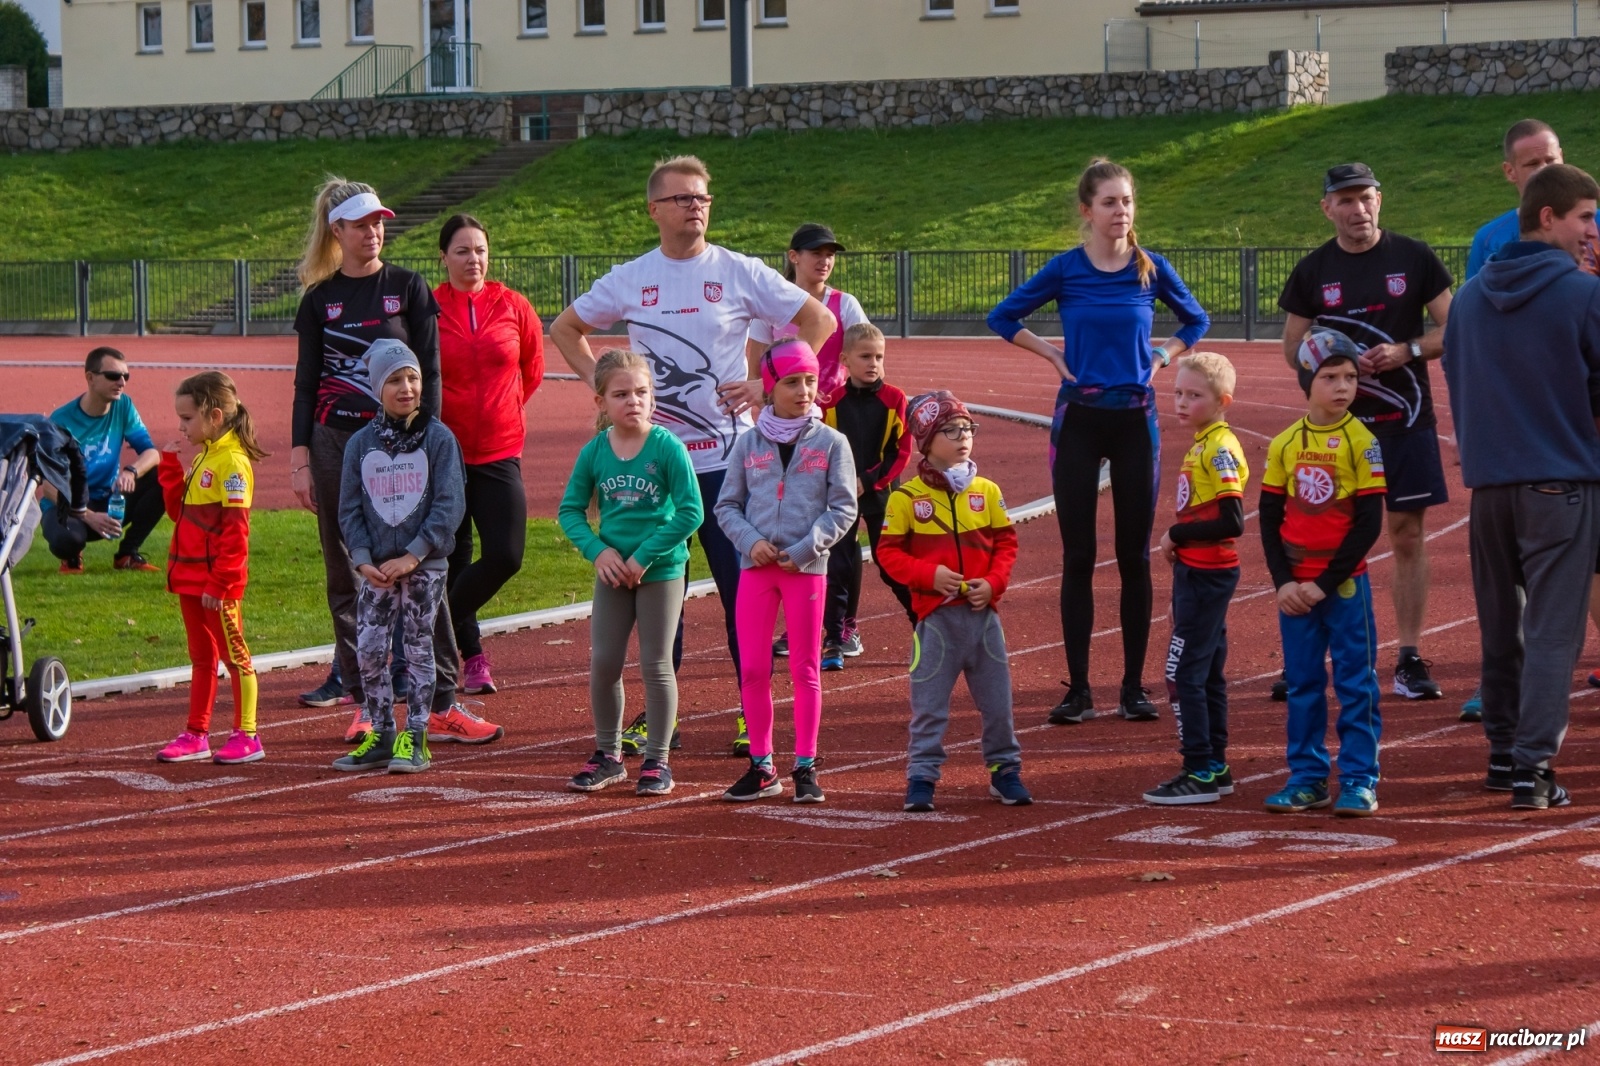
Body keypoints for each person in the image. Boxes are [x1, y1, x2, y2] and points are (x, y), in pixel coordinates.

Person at [550, 154, 836, 756]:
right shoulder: (632, 277)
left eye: (702, 198)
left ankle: (746, 714)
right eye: (682, 199)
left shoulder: (739, 271)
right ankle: (662, 719)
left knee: (743, 597)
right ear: (654, 209)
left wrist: (765, 383)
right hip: (658, 468)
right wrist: (604, 391)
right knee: (662, 600)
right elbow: (565, 329)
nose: (695, 207)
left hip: (733, 464)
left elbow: (816, 321)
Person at [987, 157, 1209, 726]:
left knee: (1134, 557)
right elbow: (1003, 316)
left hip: (1136, 421)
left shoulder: (1150, 268)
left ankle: (1133, 688)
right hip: (1079, 422)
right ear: (1087, 211)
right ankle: (1079, 689)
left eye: (1128, 201)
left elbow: (1196, 322)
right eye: (1110, 202)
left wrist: (1163, 355)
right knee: (1079, 556)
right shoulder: (1066, 270)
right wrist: (1052, 354)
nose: (1122, 211)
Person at [290, 177, 501, 747]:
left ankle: (442, 703)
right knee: (348, 570)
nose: (373, 232)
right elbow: (306, 382)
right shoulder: (319, 300)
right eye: (360, 224)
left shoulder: (407, 287)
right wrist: (300, 459)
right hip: (336, 444)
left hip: (405, 446)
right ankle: (364, 702)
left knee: (427, 569)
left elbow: (429, 371)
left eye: (379, 222)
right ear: (337, 231)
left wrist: (425, 440)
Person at [1442, 163, 1600, 811]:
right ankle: (1534, 770)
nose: (1593, 230)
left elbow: (1457, 379)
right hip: (1560, 484)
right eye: (1585, 217)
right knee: (1555, 633)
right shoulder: (1584, 295)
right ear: (1548, 216)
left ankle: (1504, 755)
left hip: (1489, 489)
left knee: (1501, 628)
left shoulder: (1471, 296)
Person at [1278, 162, 1453, 705]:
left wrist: (1408, 350)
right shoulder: (1313, 271)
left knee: (1405, 535)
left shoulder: (1414, 257)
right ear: (1327, 208)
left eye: (1366, 198)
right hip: (1336, 432)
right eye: (1345, 200)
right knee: (1324, 539)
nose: (1358, 209)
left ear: (1381, 200)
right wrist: (1335, 362)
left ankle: (1408, 656)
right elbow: (1292, 349)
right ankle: (1313, 653)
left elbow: (1455, 326)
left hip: (1405, 421)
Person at [714, 340, 857, 802]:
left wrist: (802, 549)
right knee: (754, 669)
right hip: (756, 570)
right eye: (792, 381)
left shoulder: (832, 443)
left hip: (805, 570)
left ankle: (805, 766)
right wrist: (751, 542)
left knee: (805, 668)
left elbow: (843, 509)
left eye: (810, 381)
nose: (803, 390)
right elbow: (727, 505)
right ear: (770, 386)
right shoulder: (748, 443)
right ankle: (761, 766)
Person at [559, 349, 703, 796]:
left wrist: (644, 557)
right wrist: (599, 553)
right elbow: (570, 512)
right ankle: (608, 755)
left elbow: (691, 512)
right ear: (601, 402)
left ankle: (658, 759)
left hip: (659, 572)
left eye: (641, 392)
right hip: (613, 574)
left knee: (657, 663)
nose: (633, 401)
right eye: (621, 394)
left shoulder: (667, 447)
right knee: (604, 662)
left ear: (653, 398)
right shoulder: (595, 452)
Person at [876, 390, 1028, 812]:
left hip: (983, 621)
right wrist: (929, 577)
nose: (963, 436)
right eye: (950, 429)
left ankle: (1005, 772)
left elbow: (1006, 545)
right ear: (926, 440)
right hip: (937, 623)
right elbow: (888, 553)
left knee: (999, 706)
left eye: (967, 428)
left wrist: (994, 583)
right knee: (929, 709)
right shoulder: (906, 498)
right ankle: (922, 778)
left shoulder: (987, 491)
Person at [1259, 341, 1387, 817]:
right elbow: (1270, 519)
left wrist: (1324, 583)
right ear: (1308, 382)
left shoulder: (1363, 442)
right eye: (1331, 377)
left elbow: (1369, 523)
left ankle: (1358, 779)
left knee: (1356, 683)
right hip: (1296, 591)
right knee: (1303, 683)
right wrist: (1284, 583)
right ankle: (1308, 778)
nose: (1343, 387)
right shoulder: (1285, 443)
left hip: (1343, 587)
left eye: (1351, 378)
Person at [332, 341, 467, 775]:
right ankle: (382, 731)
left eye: (412, 377)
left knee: (417, 647)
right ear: (377, 388)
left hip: (423, 566)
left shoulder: (439, 439)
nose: (406, 387)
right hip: (377, 571)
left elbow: (450, 503)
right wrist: (363, 558)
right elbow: (349, 508)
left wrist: (415, 554)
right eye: (394, 379)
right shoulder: (359, 445)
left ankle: (418, 735)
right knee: (369, 649)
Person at [434, 213, 545, 697]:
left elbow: (532, 370)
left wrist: (503, 413)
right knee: (453, 556)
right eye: (462, 250)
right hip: (445, 454)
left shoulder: (514, 305)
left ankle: (424, 633)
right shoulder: (429, 308)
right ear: (444, 258)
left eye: (479, 249)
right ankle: (472, 656)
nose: (473, 259)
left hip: (500, 451)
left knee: (505, 554)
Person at [1144, 353, 1247, 806]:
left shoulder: (1220, 447)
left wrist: (1176, 534)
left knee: (1181, 672)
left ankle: (1200, 767)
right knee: (1205, 674)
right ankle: (1215, 766)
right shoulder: (1203, 442)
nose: (1182, 403)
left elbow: (1233, 520)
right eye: (1178, 393)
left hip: (1208, 575)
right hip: (1197, 573)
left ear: (1222, 401)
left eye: (1194, 395)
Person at [153, 372, 267, 765]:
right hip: (188, 578)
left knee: (236, 658)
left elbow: (236, 534)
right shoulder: (205, 454)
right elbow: (176, 513)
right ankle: (196, 733)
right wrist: (169, 467)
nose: (181, 427)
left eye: (187, 419)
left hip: (218, 584)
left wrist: (222, 583)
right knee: (202, 659)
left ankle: (247, 734)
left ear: (214, 416)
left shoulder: (232, 463)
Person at [819, 322, 914, 669]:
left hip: (881, 494)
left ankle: (924, 623)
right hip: (841, 496)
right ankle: (835, 635)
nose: (873, 363)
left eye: (879, 357)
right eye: (865, 356)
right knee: (838, 564)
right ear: (845, 359)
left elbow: (900, 452)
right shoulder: (832, 402)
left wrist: (869, 480)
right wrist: (843, 483)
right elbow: (823, 449)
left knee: (890, 563)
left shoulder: (895, 399)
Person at [41, 347, 163, 574]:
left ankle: (127, 553)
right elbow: (48, 486)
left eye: (125, 376)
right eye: (113, 376)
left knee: (163, 476)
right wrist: (87, 515)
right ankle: (72, 556)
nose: (122, 382)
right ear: (90, 378)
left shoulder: (123, 405)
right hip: (68, 506)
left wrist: (131, 471)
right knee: (66, 540)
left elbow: (152, 453)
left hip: (108, 501)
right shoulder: (61, 421)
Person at [747, 222, 870, 410]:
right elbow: (755, 371)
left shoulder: (845, 304)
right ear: (793, 256)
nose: (825, 261)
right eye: (816, 253)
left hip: (833, 413)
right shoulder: (769, 305)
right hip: (785, 415)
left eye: (830, 255)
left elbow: (869, 356)